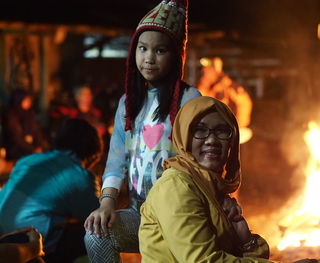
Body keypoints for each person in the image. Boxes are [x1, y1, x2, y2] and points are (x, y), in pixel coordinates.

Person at [84, 0, 201, 262]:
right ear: (133, 51)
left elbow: (202, 160)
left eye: (160, 50)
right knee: (96, 233)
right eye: (143, 48)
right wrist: (107, 204)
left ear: (176, 56)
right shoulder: (129, 102)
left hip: (183, 214)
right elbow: (116, 162)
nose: (149, 58)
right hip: (140, 214)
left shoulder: (190, 99)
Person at [139, 96, 317, 263]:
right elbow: (203, 261)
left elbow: (246, 256)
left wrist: (245, 239)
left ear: (232, 141)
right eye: (199, 130)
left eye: (222, 131)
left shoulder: (210, 187)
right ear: (184, 137)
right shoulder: (176, 187)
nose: (212, 140)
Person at [0, 118, 102, 263]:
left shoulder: (28, 160)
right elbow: (100, 216)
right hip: (31, 245)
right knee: (98, 233)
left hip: (3, 237)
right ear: (92, 154)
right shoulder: (80, 175)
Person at [197, 57, 253, 144]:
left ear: (215, 70)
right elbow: (198, 103)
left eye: (208, 69)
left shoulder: (230, 88)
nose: (204, 70)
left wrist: (239, 124)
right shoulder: (206, 87)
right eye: (204, 69)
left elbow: (244, 104)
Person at [1, 88, 46, 161]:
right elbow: (15, 137)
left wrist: (39, 146)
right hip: (16, 151)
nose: (29, 102)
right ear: (19, 100)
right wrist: (32, 149)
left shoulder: (29, 114)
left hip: (32, 149)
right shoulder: (10, 116)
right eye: (26, 100)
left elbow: (36, 131)